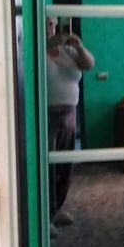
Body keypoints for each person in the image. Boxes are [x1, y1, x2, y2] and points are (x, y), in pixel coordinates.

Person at [46, 17, 94, 234]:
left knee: (65, 165)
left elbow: (89, 64)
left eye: (53, 23)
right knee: (48, 167)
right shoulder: (35, 49)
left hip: (69, 114)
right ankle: (46, 216)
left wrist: (79, 47)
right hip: (46, 115)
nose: (51, 27)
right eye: (47, 23)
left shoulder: (68, 50)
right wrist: (49, 43)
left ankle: (57, 209)